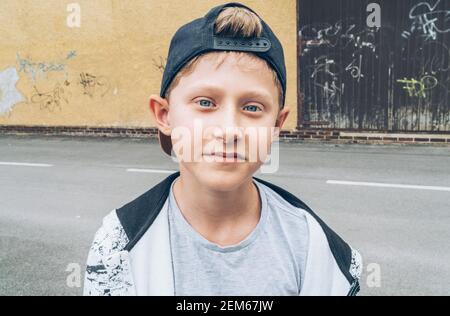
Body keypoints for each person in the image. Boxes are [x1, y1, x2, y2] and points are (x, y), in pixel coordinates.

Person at [83, 2, 362, 296]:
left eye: (252, 107)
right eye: (205, 102)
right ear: (164, 115)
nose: (229, 130)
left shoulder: (319, 249)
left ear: (277, 125)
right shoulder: (119, 244)